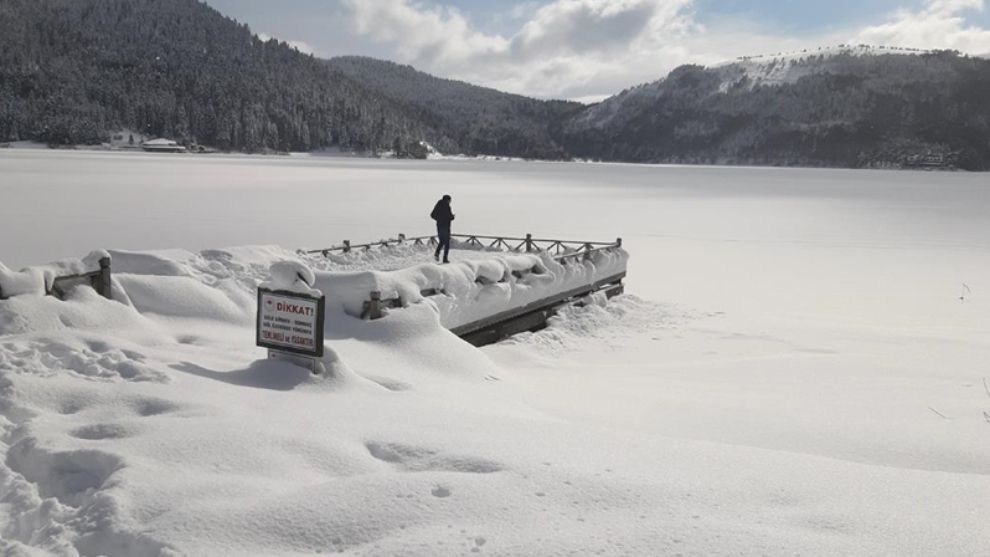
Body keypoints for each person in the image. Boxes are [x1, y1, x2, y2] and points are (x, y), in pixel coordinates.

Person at [430, 195, 454, 263]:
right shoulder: (447, 206)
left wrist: (439, 219)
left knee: (442, 241)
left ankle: (437, 253)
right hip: (446, 226)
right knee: (447, 243)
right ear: (447, 200)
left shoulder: (438, 205)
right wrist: (452, 217)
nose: (450, 202)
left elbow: (432, 215)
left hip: (439, 226)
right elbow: (448, 217)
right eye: (450, 200)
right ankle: (445, 259)